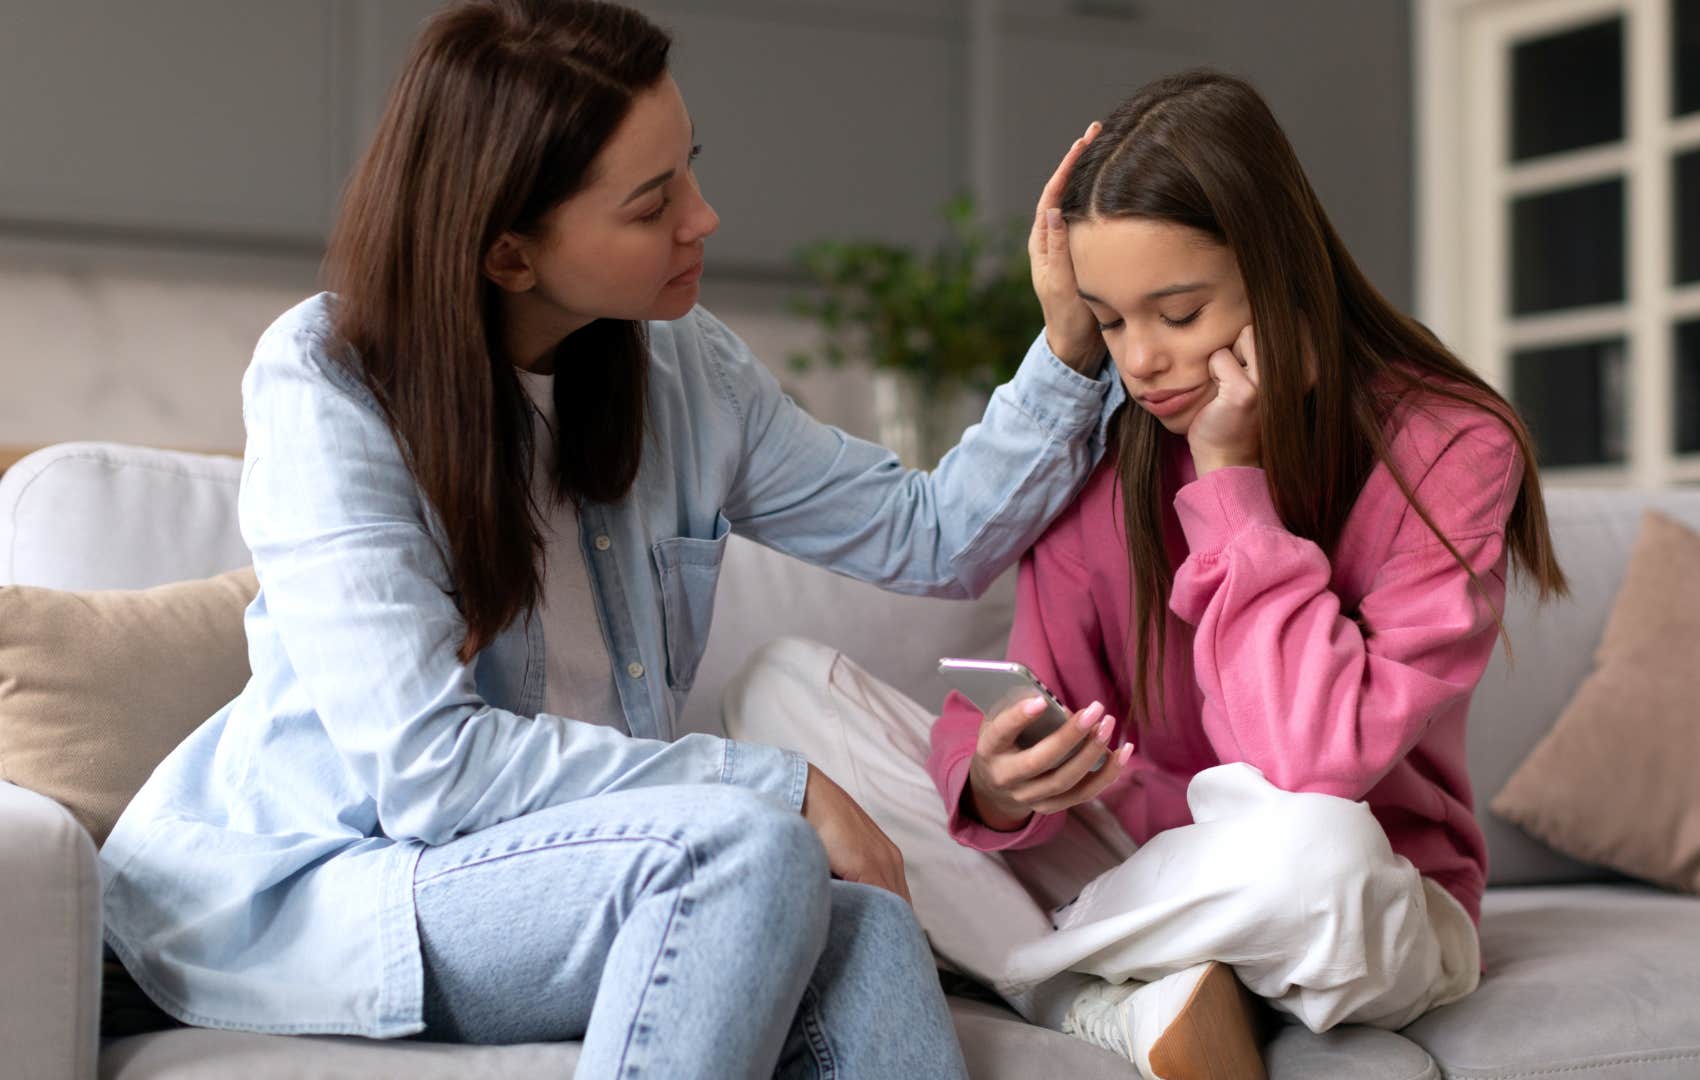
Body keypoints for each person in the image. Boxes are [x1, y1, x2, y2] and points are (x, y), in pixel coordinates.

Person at [95, 2, 1126, 1077]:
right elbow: (428, 775)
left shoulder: (688, 371)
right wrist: (788, 785)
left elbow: (932, 538)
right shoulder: (331, 382)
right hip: (326, 883)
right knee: (748, 848)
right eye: (651, 206)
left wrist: (1069, 340)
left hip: (571, 877)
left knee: (861, 925)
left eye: (689, 171)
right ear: (508, 252)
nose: (705, 219)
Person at [722, 69, 1568, 1079]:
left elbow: (1312, 759)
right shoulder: (1110, 456)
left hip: (1356, 892)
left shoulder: (1448, 448)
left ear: (1282, 276)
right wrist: (995, 784)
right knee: (775, 694)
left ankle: (1044, 980)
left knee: (1319, 851)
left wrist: (1231, 482)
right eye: (1112, 322)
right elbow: (1030, 695)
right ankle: (1113, 986)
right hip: (1142, 864)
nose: (1144, 364)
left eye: (1177, 312)